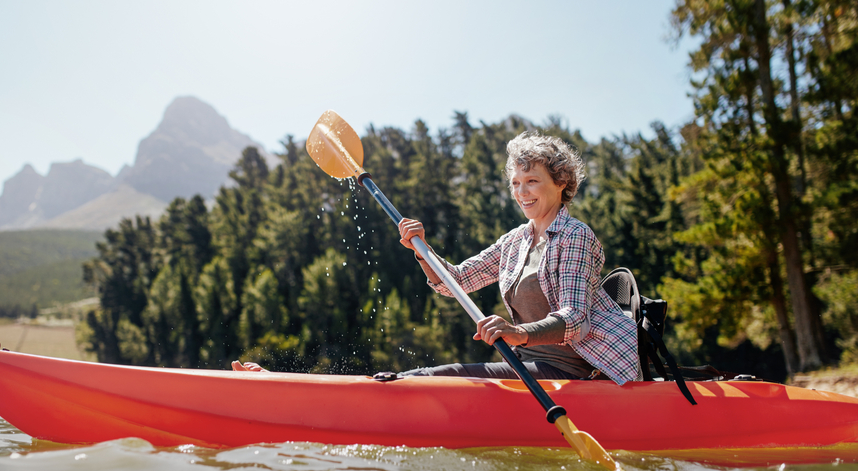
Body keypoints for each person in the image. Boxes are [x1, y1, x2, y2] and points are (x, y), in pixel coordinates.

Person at [235, 132, 638, 385]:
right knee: (438, 377)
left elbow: (575, 321)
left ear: (561, 183)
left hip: (580, 372)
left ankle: (318, 392)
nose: (522, 192)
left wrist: (518, 333)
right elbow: (455, 282)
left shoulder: (574, 236)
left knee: (437, 378)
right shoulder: (516, 241)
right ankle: (293, 385)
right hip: (529, 365)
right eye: (516, 183)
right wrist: (421, 251)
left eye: (533, 181)